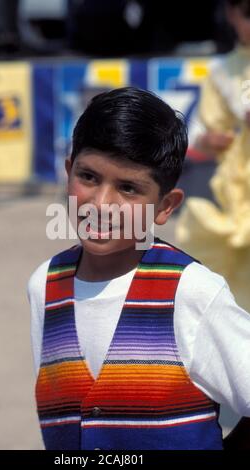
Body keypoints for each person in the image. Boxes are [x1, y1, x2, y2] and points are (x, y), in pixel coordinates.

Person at [27, 87, 250, 450]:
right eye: (88, 177)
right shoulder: (45, 286)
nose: (102, 204)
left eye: (128, 188)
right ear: (68, 172)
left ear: (165, 205)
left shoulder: (191, 292)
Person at [176, 0, 250, 313]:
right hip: (236, 192)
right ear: (232, 14)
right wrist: (212, 140)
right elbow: (204, 139)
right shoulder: (222, 73)